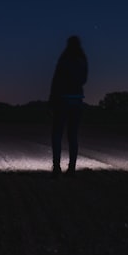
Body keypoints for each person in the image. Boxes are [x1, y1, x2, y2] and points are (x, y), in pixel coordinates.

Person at [49, 35, 88, 177]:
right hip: (77, 100)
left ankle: (56, 167)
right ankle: (72, 168)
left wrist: (52, 100)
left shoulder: (64, 60)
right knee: (73, 135)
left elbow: (56, 80)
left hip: (62, 100)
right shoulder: (83, 61)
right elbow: (84, 80)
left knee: (57, 133)